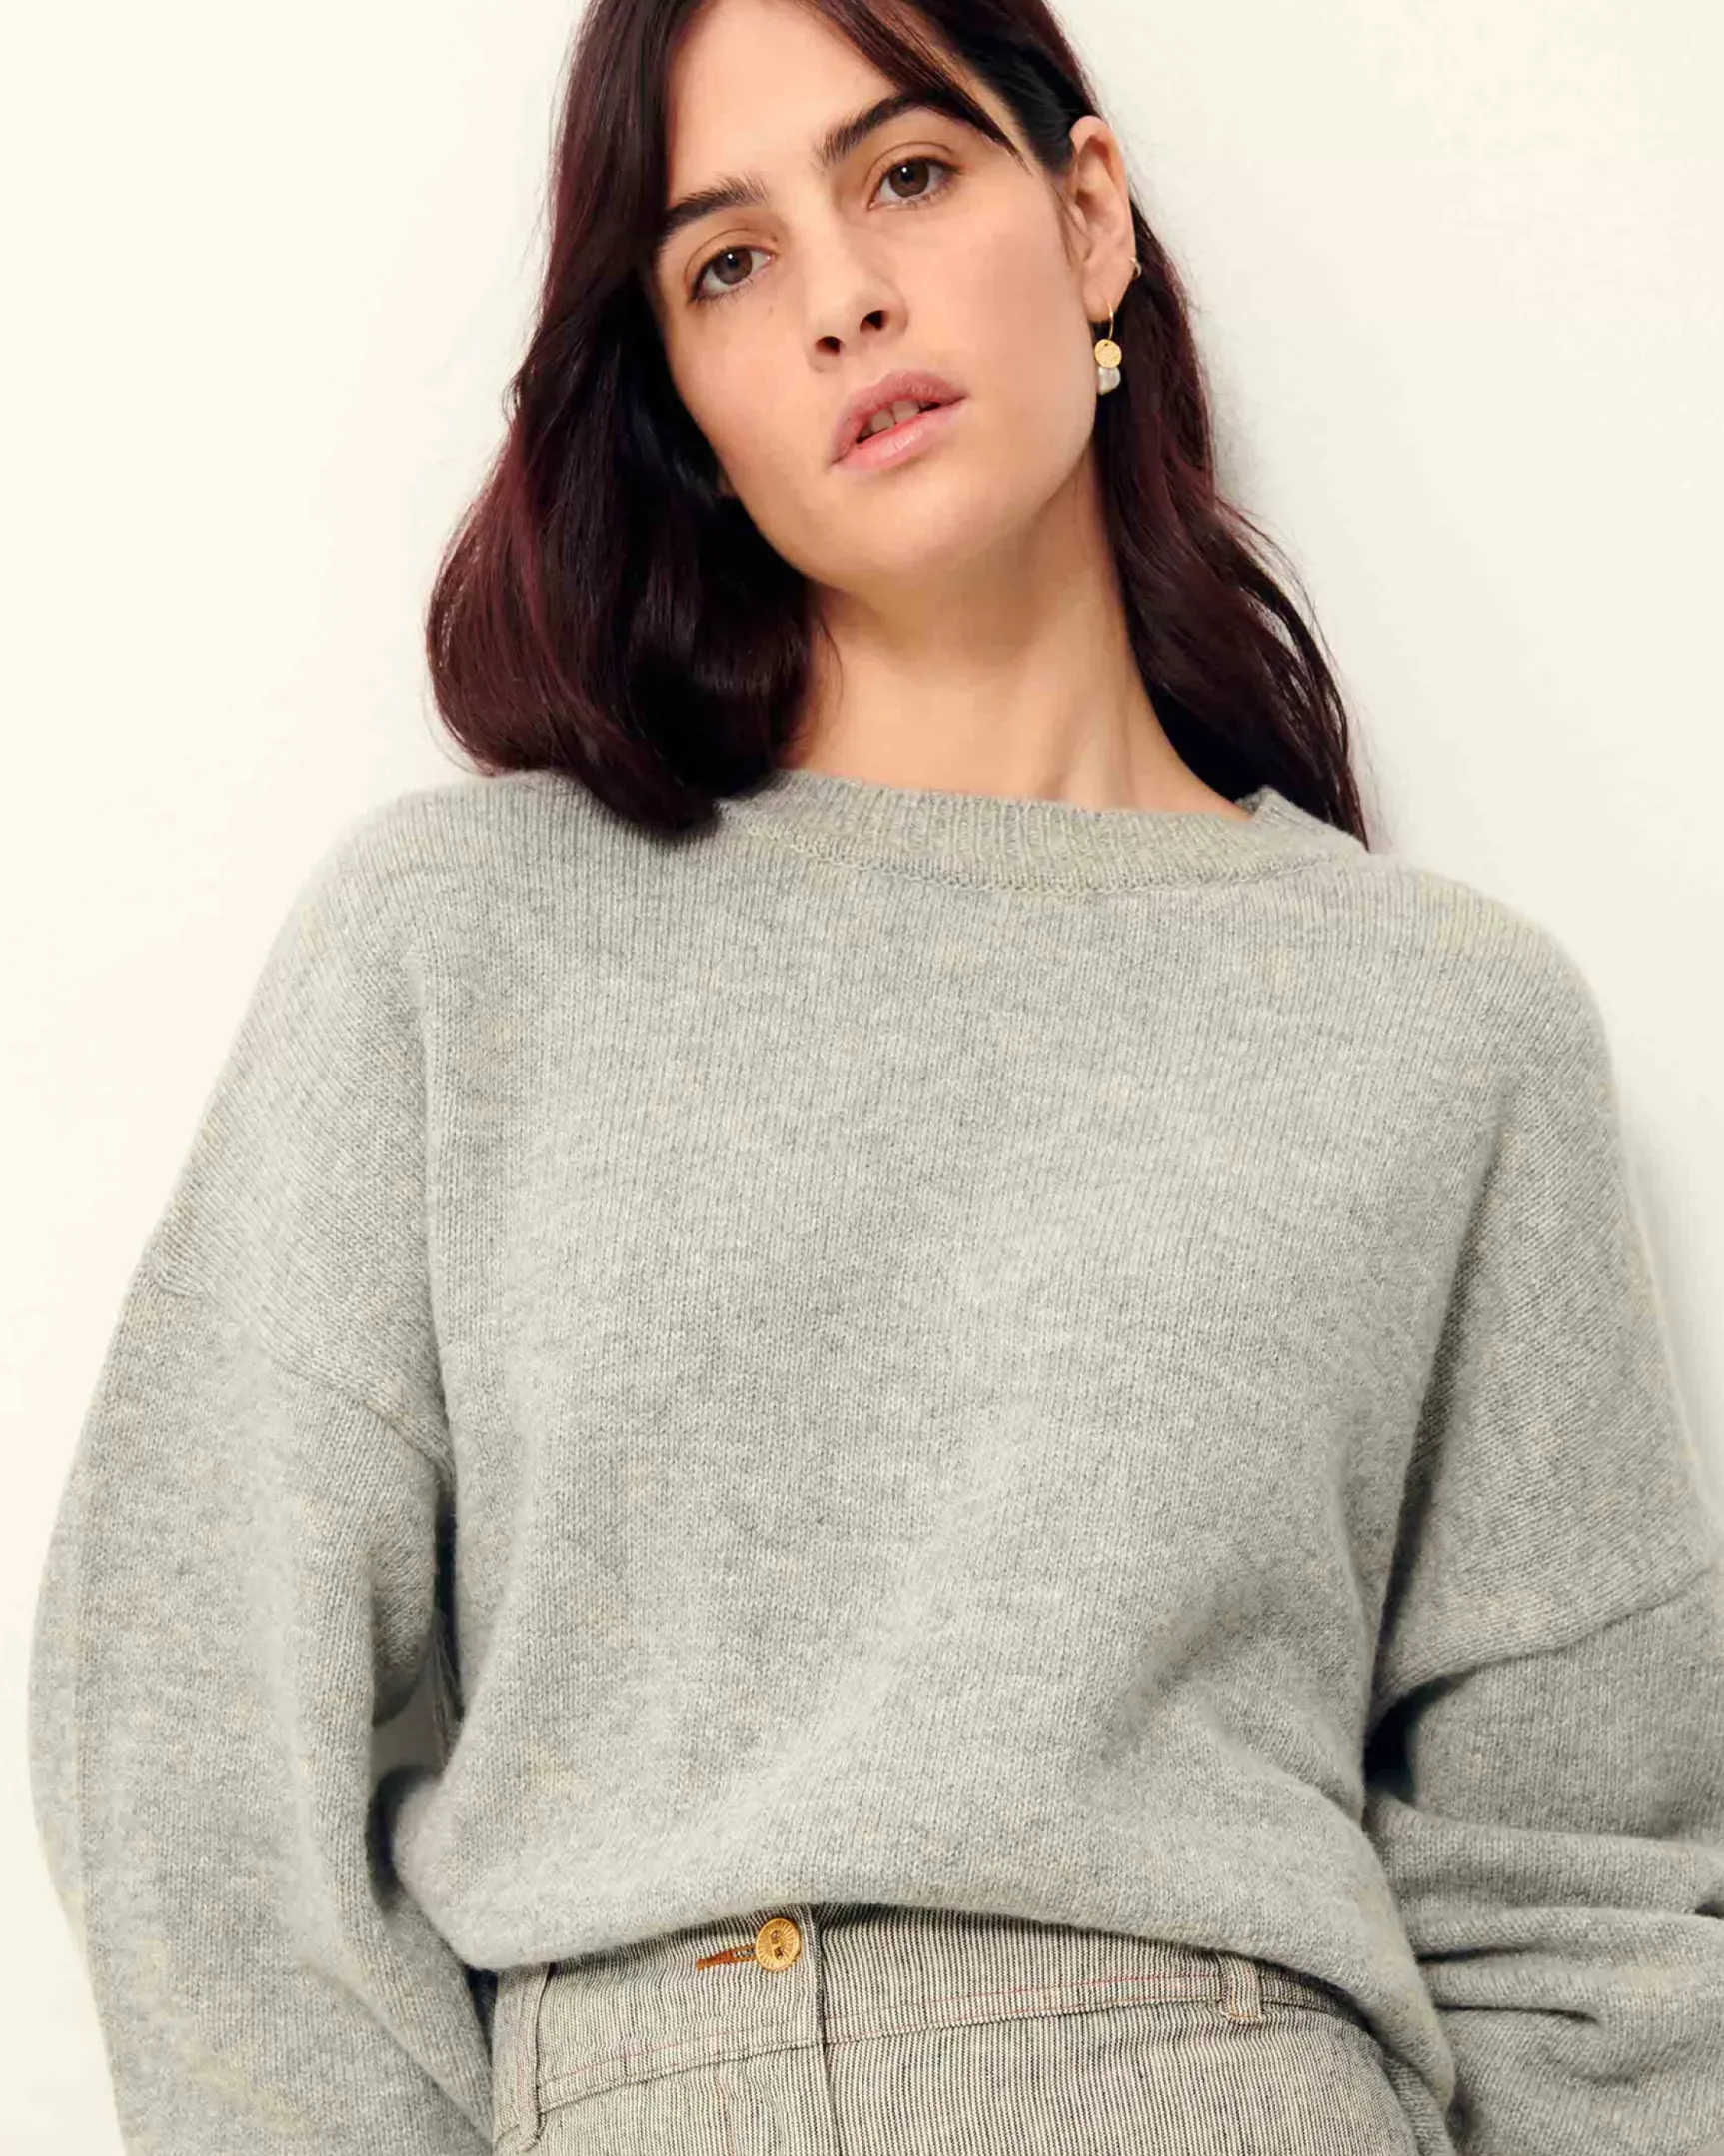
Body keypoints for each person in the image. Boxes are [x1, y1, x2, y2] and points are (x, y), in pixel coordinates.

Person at [26, 0, 1724, 2150]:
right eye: (728, 262)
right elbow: (187, 1733)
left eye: (907, 172)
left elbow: (1586, 1901)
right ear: (680, 394)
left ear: (1089, 217)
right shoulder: (460, 948)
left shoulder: (1446, 1025)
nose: (841, 298)